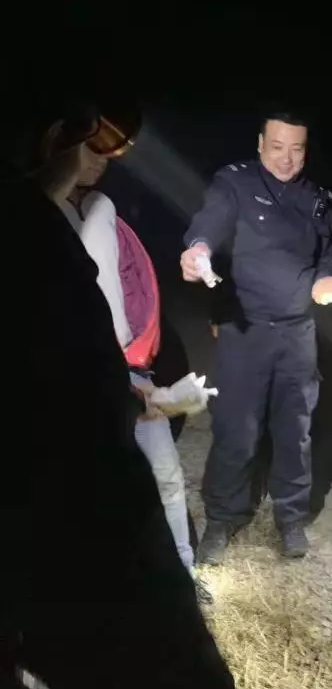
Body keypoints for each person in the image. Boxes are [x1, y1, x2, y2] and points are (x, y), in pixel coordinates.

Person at [5, 92, 233, 687]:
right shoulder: (36, 241)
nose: (100, 156)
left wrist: (124, 389)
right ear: (53, 138)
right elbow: (88, 469)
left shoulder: (45, 228)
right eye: (92, 139)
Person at [180, 109, 332, 563]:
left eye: (297, 149)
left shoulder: (318, 197)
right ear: (259, 144)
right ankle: (221, 518)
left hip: (298, 332)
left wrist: (328, 276)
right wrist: (198, 249)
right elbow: (211, 222)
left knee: (295, 430)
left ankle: (290, 517)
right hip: (244, 328)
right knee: (237, 429)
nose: (287, 159)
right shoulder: (235, 182)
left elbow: (329, 250)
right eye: (277, 147)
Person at [60, 143, 213, 603]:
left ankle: (183, 574)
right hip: (85, 378)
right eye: (86, 150)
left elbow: (127, 293)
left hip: (130, 371)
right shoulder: (51, 219)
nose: (98, 161)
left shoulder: (101, 210)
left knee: (166, 478)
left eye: (104, 153)